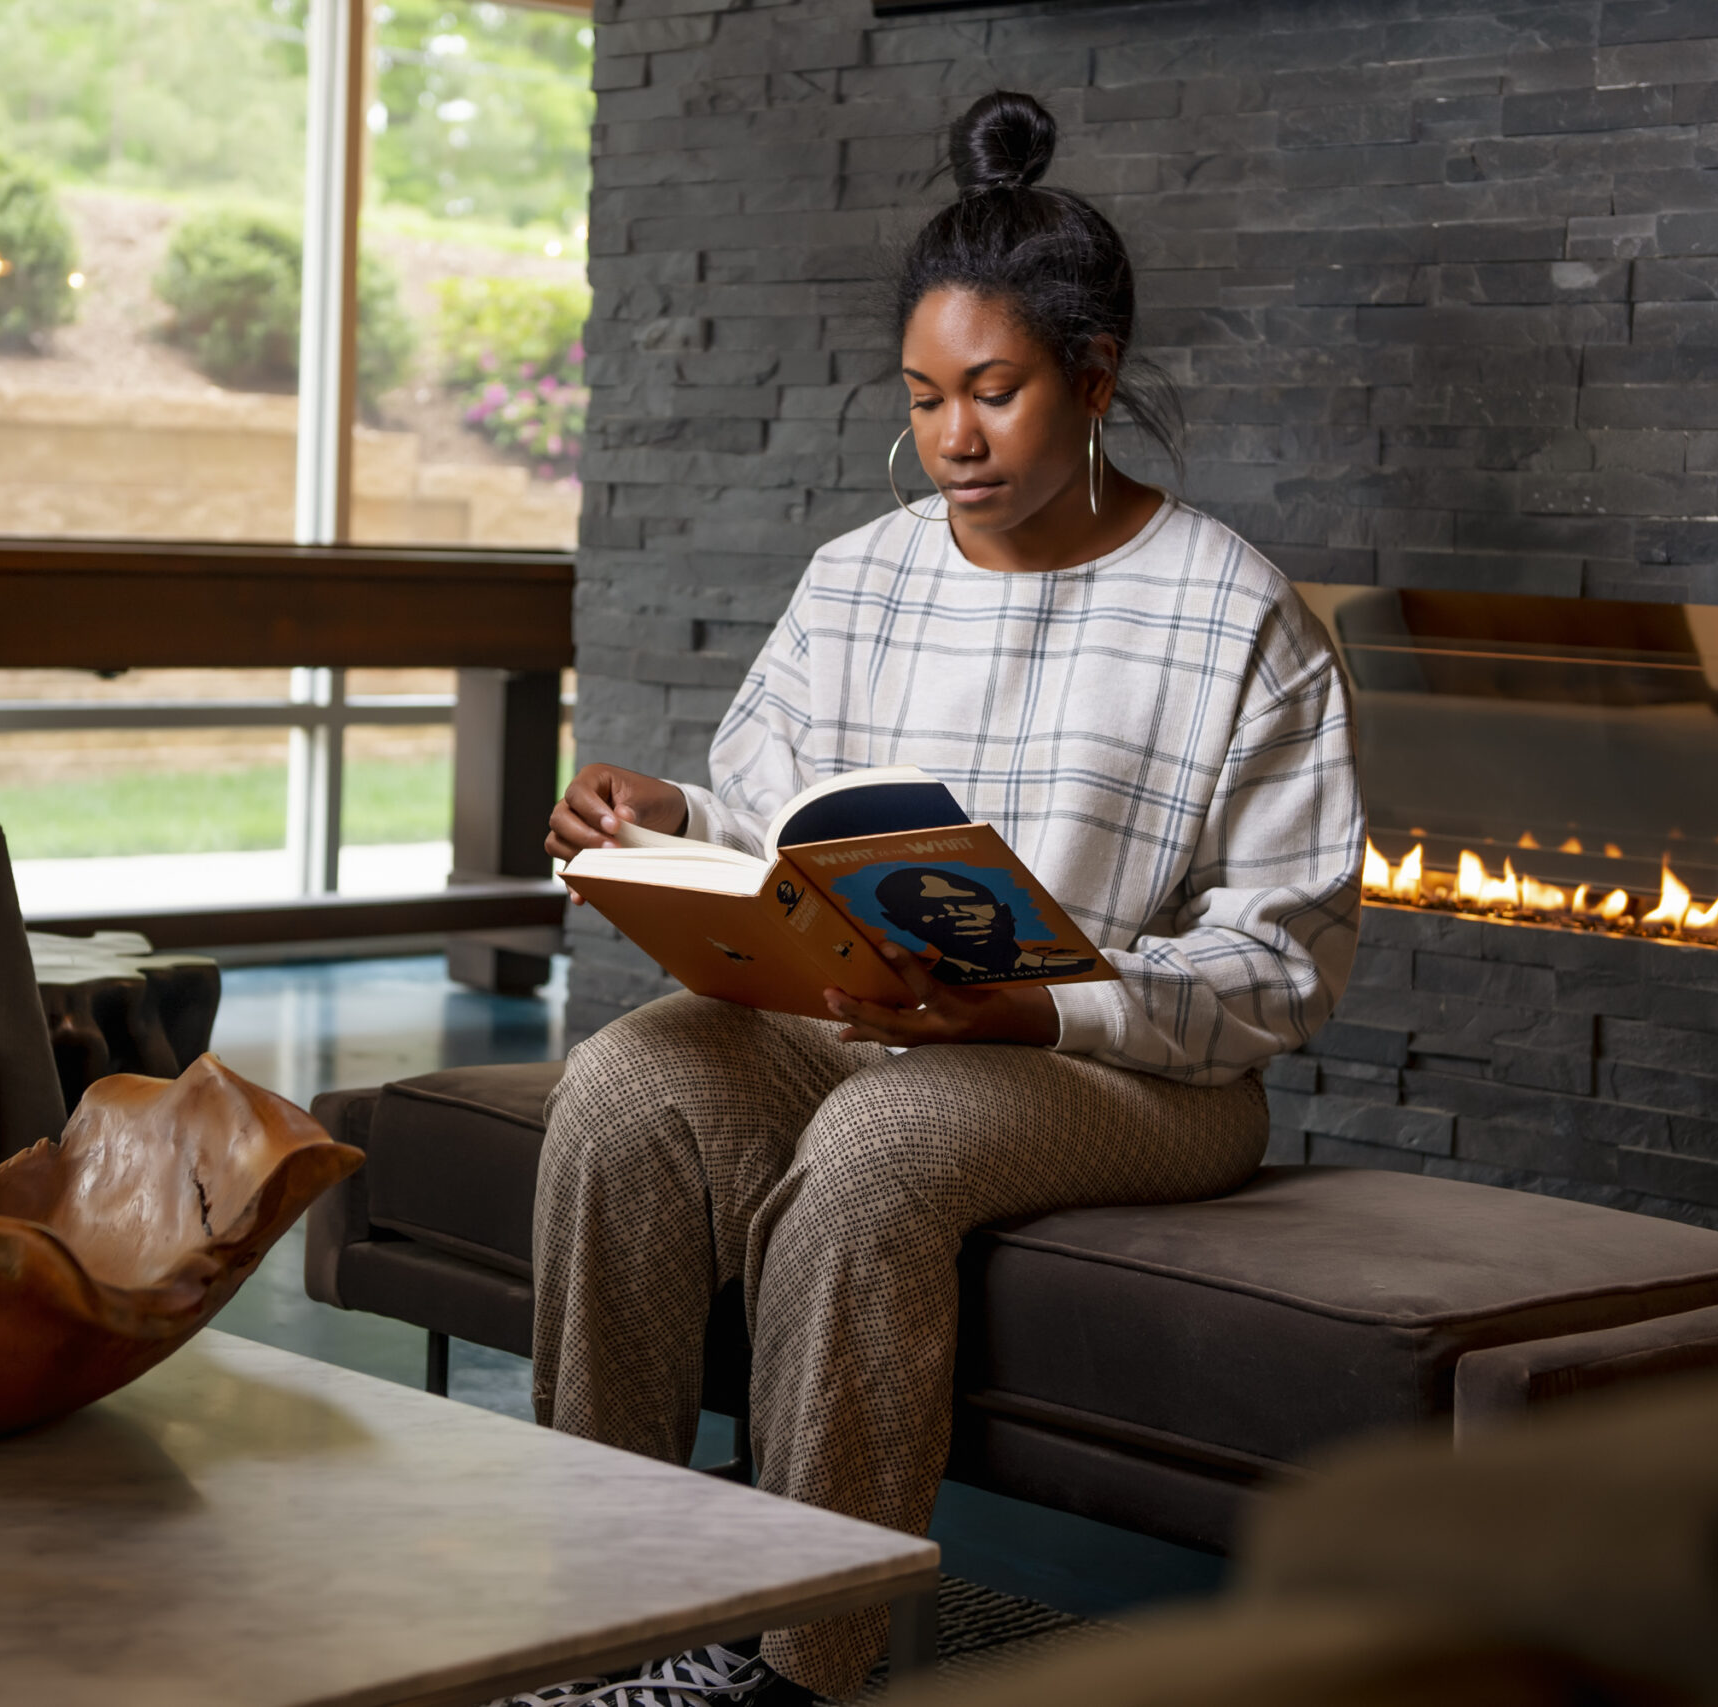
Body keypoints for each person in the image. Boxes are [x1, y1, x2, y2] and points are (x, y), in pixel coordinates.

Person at [505, 90, 1364, 1707]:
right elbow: (777, 822)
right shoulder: (861, 573)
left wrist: (1037, 999)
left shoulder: (1238, 611)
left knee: (881, 1147)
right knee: (624, 1088)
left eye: (995, 393)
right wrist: (668, 815)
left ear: (1093, 378)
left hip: (1125, 1073)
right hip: (858, 1019)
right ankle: (600, 1617)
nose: (954, 438)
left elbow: (1285, 961)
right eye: (924, 400)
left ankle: (802, 1662)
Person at [869, 865, 1095, 982]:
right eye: (928, 911)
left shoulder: (1080, 968)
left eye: (968, 903)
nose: (956, 916)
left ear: (1005, 913)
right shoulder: (921, 985)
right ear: (901, 923)